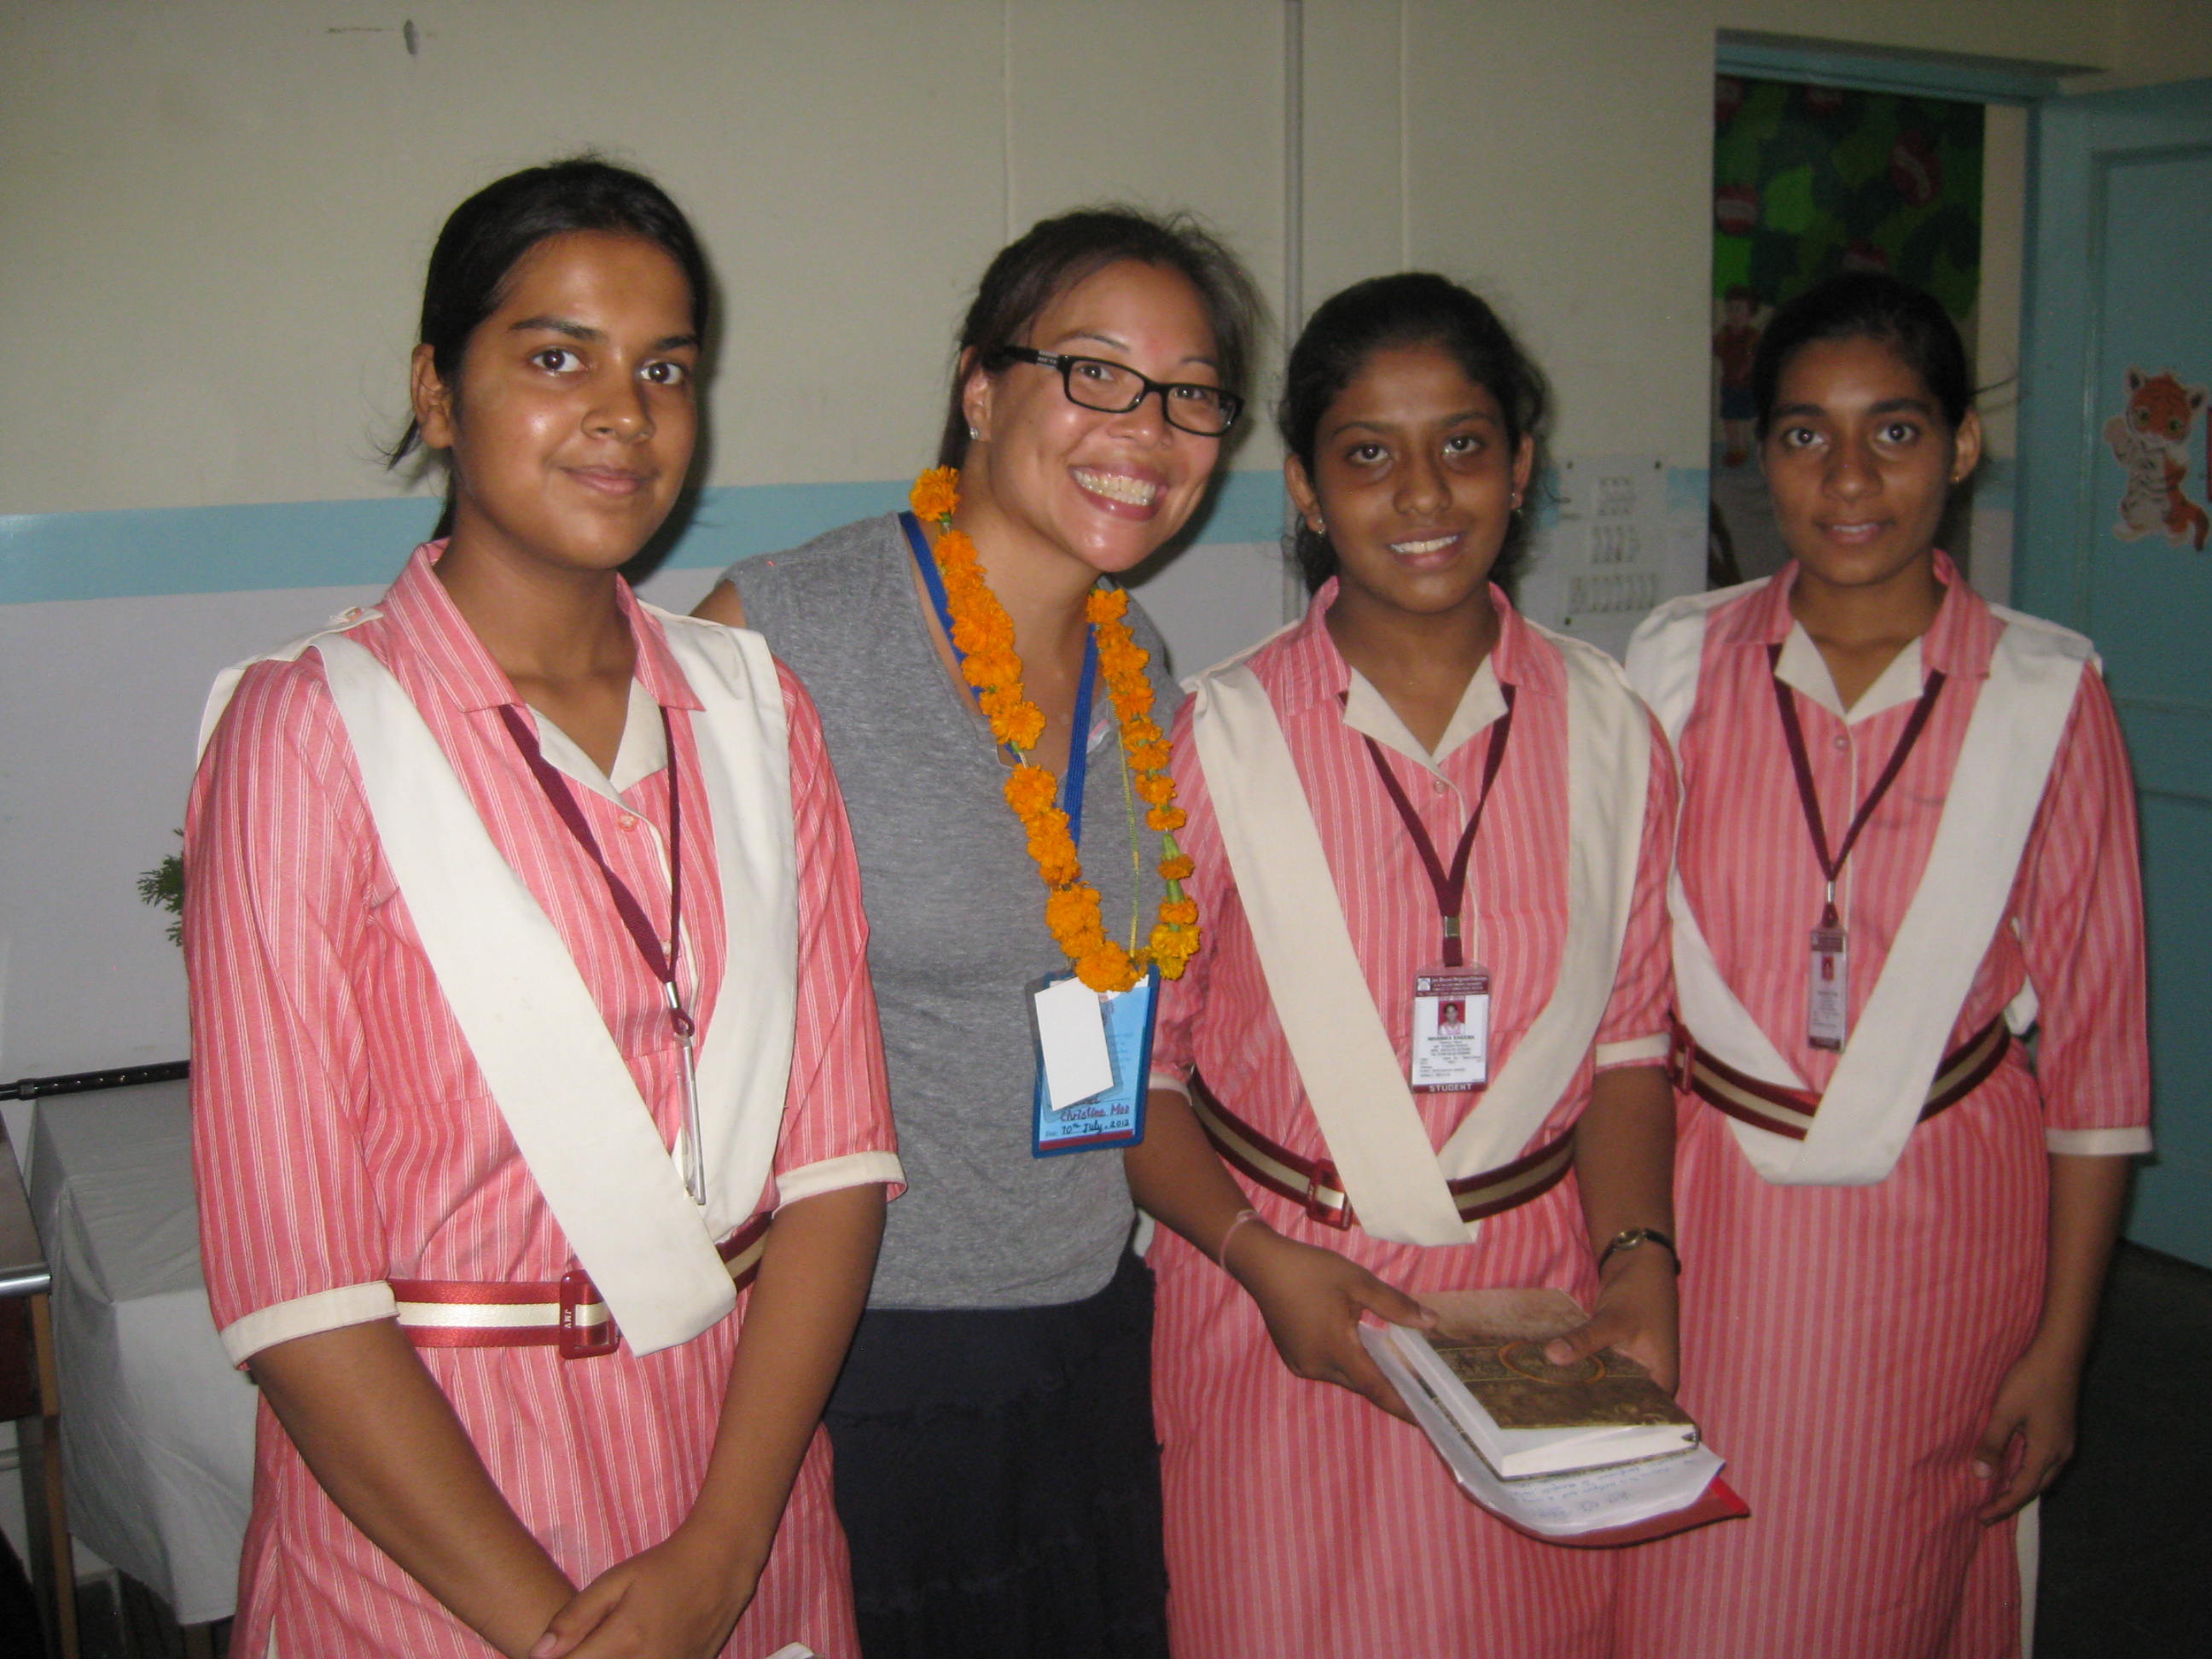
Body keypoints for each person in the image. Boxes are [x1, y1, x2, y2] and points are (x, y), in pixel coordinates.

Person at [186, 159, 902, 1659]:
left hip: (741, 1479)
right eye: (559, 358)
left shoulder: (755, 710)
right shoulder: (310, 734)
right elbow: (295, 1287)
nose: (625, 414)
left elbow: (835, 1166)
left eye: (665, 370)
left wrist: (722, 1554)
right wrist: (561, 1633)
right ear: (437, 393)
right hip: (443, 1528)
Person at [692, 207, 1262, 1657]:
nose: (1146, 429)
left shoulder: (1141, 668)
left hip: (1085, 1326)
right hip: (864, 1353)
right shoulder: (787, 634)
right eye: (1095, 371)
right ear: (981, 388)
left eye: (1192, 393)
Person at [1127, 271, 1682, 1659]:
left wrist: (1639, 1262)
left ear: (1522, 466)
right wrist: (1258, 1260)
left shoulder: (1613, 732)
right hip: (1279, 1299)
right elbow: (1131, 1077)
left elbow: (1629, 1044)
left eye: (1464, 445)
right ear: (1307, 491)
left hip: (1535, 1304)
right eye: (1368, 453)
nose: (1423, 493)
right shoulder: (1216, 742)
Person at [1615, 271, 2151, 1658]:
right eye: (1805, 435)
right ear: (1764, 454)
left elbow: (2099, 1068)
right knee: (1688, 1581)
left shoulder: (2046, 695)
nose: (1849, 478)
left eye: (1895, 432)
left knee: (1891, 1579)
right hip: (1714, 1221)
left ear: (1962, 446)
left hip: (1942, 1228)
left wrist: (2061, 1352)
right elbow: (1615, 989)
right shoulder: (1674, 668)